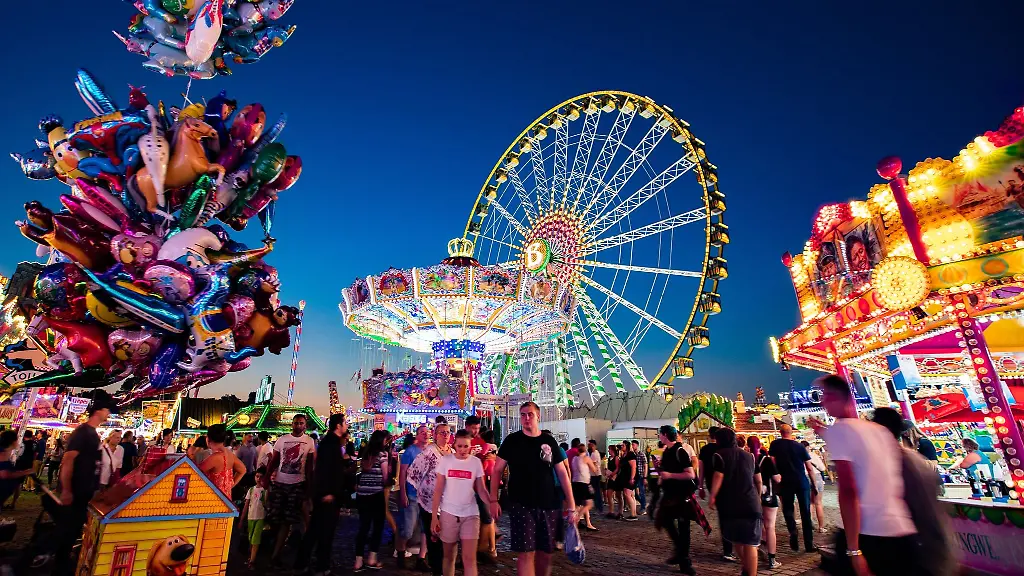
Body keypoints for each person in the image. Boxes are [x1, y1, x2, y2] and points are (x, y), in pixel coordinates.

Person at [809, 375, 917, 576]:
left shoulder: (840, 430)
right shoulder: (880, 431)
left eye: (825, 395)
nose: (822, 401)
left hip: (867, 531)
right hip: (901, 529)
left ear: (837, 397)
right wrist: (822, 431)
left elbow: (849, 490)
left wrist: (854, 550)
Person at [489, 402, 577, 576]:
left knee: (546, 553)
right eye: (523, 414)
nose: (526, 418)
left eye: (530, 414)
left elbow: (562, 473)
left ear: (538, 416)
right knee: (526, 552)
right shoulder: (512, 441)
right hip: (521, 504)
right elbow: (497, 470)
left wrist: (571, 504)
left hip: (549, 504)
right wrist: (493, 499)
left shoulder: (549, 441)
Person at [54, 395, 110, 576]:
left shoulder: (93, 434)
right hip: (75, 491)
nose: (108, 413)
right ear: (98, 411)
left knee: (74, 529)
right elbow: (68, 460)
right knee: (67, 530)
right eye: (106, 409)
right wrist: (66, 489)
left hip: (85, 491)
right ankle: (57, 566)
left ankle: (64, 563)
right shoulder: (83, 432)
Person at [431, 429, 491, 576]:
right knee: (449, 556)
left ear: (471, 446)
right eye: (460, 446)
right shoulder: (446, 461)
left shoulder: (475, 462)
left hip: (471, 513)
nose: (463, 450)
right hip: (448, 513)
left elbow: (481, 489)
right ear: (454, 445)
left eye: (466, 446)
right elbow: (438, 490)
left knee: (469, 559)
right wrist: (434, 517)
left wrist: (492, 503)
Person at [296, 413, 349, 576]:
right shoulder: (330, 443)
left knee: (317, 530)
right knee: (323, 532)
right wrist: (328, 492)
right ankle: (319, 566)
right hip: (327, 495)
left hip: (327, 494)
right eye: (345, 423)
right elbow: (324, 470)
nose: (347, 425)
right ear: (338, 426)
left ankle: (306, 563)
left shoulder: (331, 442)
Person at [708, 427, 762, 576]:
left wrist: (713, 495)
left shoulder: (719, 455)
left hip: (730, 503)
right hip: (750, 503)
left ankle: (746, 567)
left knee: (736, 539)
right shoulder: (750, 456)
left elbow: (718, 476)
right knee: (751, 543)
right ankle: (750, 572)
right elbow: (758, 480)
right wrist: (757, 497)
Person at [266, 414, 316, 565]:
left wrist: (309, 486)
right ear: (292, 424)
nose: (298, 425)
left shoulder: (309, 441)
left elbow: (309, 466)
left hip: (297, 484)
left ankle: (277, 554)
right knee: (276, 518)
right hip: (280, 483)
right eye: (296, 423)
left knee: (288, 520)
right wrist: (266, 477)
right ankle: (275, 550)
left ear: (305, 426)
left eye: (301, 423)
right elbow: (274, 461)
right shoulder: (282, 440)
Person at [654, 425, 700, 576]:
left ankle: (684, 560)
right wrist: (661, 471)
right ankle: (680, 552)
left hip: (681, 496)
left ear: (665, 435)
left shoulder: (680, 451)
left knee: (683, 527)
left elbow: (690, 474)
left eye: (660, 434)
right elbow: (667, 472)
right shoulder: (667, 451)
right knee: (665, 521)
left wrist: (670, 475)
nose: (659, 436)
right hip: (670, 495)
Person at [409, 422, 453, 576]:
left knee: (447, 539)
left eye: (447, 432)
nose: (445, 435)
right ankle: (437, 571)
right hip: (430, 504)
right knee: (434, 539)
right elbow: (413, 473)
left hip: (449, 504)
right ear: (435, 435)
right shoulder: (429, 452)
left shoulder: (453, 452)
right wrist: (422, 491)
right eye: (442, 432)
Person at [769, 423, 817, 552]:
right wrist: (814, 484)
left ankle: (793, 531)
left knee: (788, 509)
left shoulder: (775, 445)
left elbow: (772, 462)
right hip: (801, 480)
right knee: (805, 511)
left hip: (785, 481)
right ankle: (809, 544)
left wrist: (776, 476)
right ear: (791, 433)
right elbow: (809, 467)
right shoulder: (800, 446)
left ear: (781, 432)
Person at [352, 430, 390, 571]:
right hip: (376, 494)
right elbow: (385, 476)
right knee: (378, 526)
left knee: (363, 527)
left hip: (362, 494)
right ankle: (372, 559)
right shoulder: (383, 455)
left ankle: (358, 562)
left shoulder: (365, 454)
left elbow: (359, 472)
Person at [697, 425, 735, 561]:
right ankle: (735, 546)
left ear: (710, 435)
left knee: (724, 516)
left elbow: (701, 469)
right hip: (730, 484)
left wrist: (700, 487)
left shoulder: (705, 449)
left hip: (712, 485)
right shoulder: (726, 449)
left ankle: (728, 549)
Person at [463, 416, 496, 562]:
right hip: (464, 486)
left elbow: (486, 462)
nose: (476, 431)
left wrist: (491, 459)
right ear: (467, 426)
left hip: (479, 486)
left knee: (486, 519)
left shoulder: (481, 442)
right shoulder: (460, 441)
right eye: (473, 428)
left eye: (477, 428)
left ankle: (480, 550)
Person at [397, 425, 430, 571]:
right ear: (417, 435)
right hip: (412, 495)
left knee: (425, 529)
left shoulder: (431, 450)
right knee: (407, 530)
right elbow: (402, 473)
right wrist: (403, 492)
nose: (425, 435)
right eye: (422, 433)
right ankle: (400, 552)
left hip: (427, 497)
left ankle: (421, 558)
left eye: (427, 432)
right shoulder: (410, 451)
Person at [751, 436, 782, 569]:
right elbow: (777, 478)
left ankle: (755, 553)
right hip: (768, 495)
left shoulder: (748, 458)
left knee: (757, 525)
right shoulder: (766, 460)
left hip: (752, 497)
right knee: (770, 527)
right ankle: (772, 559)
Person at [199, 424, 246, 496]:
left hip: (214, 498)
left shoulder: (214, 458)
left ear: (208, 439)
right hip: (226, 497)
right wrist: (229, 486)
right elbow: (243, 470)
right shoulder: (229, 454)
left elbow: (195, 472)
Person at [241, 467, 268, 570]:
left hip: (260, 517)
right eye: (257, 476)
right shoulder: (251, 490)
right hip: (250, 517)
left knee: (255, 539)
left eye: (261, 477)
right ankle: (250, 558)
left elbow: (266, 503)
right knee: (251, 538)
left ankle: (252, 561)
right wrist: (242, 519)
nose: (258, 479)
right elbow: (246, 505)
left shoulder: (265, 490)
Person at [0, 431, 35, 510]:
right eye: (17, 439)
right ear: (13, 441)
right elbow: (4, 474)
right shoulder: (3, 453)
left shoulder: (6, 452)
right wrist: (26, 472)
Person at [802, 440, 828, 533]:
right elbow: (822, 468)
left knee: (809, 503)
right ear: (808, 447)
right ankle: (821, 527)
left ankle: (809, 525)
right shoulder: (813, 455)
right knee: (818, 503)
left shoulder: (798, 456)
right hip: (816, 477)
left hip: (804, 478)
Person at [617, 440, 639, 521]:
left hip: (630, 476)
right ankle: (634, 513)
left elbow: (633, 467)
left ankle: (633, 515)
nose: (621, 447)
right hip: (626, 476)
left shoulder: (630, 454)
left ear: (627, 446)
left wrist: (632, 478)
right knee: (631, 495)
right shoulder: (624, 454)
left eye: (623, 445)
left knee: (627, 494)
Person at [586, 439, 604, 513]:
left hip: (596, 475)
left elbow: (592, 464)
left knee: (597, 491)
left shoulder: (595, 453)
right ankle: (596, 506)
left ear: (594, 446)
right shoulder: (589, 453)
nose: (589, 446)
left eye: (590, 445)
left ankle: (599, 507)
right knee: (593, 491)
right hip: (592, 474)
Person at [631, 440, 647, 514]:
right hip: (634, 475)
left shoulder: (641, 454)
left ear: (637, 445)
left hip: (640, 475)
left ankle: (643, 507)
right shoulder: (632, 455)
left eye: (633, 445)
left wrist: (645, 477)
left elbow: (645, 466)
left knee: (641, 492)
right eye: (631, 445)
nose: (632, 446)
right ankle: (643, 504)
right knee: (635, 493)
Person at [604, 445, 619, 518]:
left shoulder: (616, 458)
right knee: (609, 494)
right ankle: (611, 511)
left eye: (609, 449)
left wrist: (612, 474)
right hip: (610, 477)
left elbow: (617, 468)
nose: (608, 451)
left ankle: (616, 511)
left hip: (614, 478)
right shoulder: (609, 458)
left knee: (617, 495)